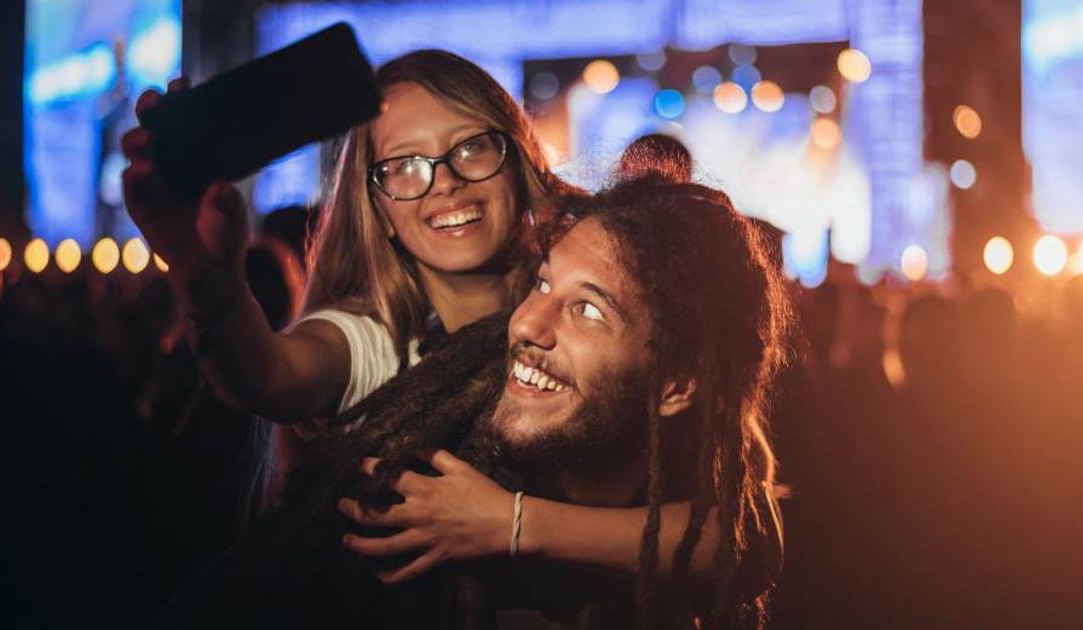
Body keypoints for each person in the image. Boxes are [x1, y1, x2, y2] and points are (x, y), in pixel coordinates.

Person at [124, 49, 724, 584]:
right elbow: (266, 374)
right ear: (379, 207)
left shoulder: (604, 295)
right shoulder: (379, 344)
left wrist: (508, 524)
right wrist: (205, 276)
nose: (445, 183)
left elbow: (745, 535)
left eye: (470, 147)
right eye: (405, 166)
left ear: (515, 159)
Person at [333, 177, 791, 627]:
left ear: (674, 388)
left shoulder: (695, 461)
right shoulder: (422, 484)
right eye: (543, 282)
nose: (528, 324)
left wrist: (508, 524)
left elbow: (746, 542)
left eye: (588, 310)